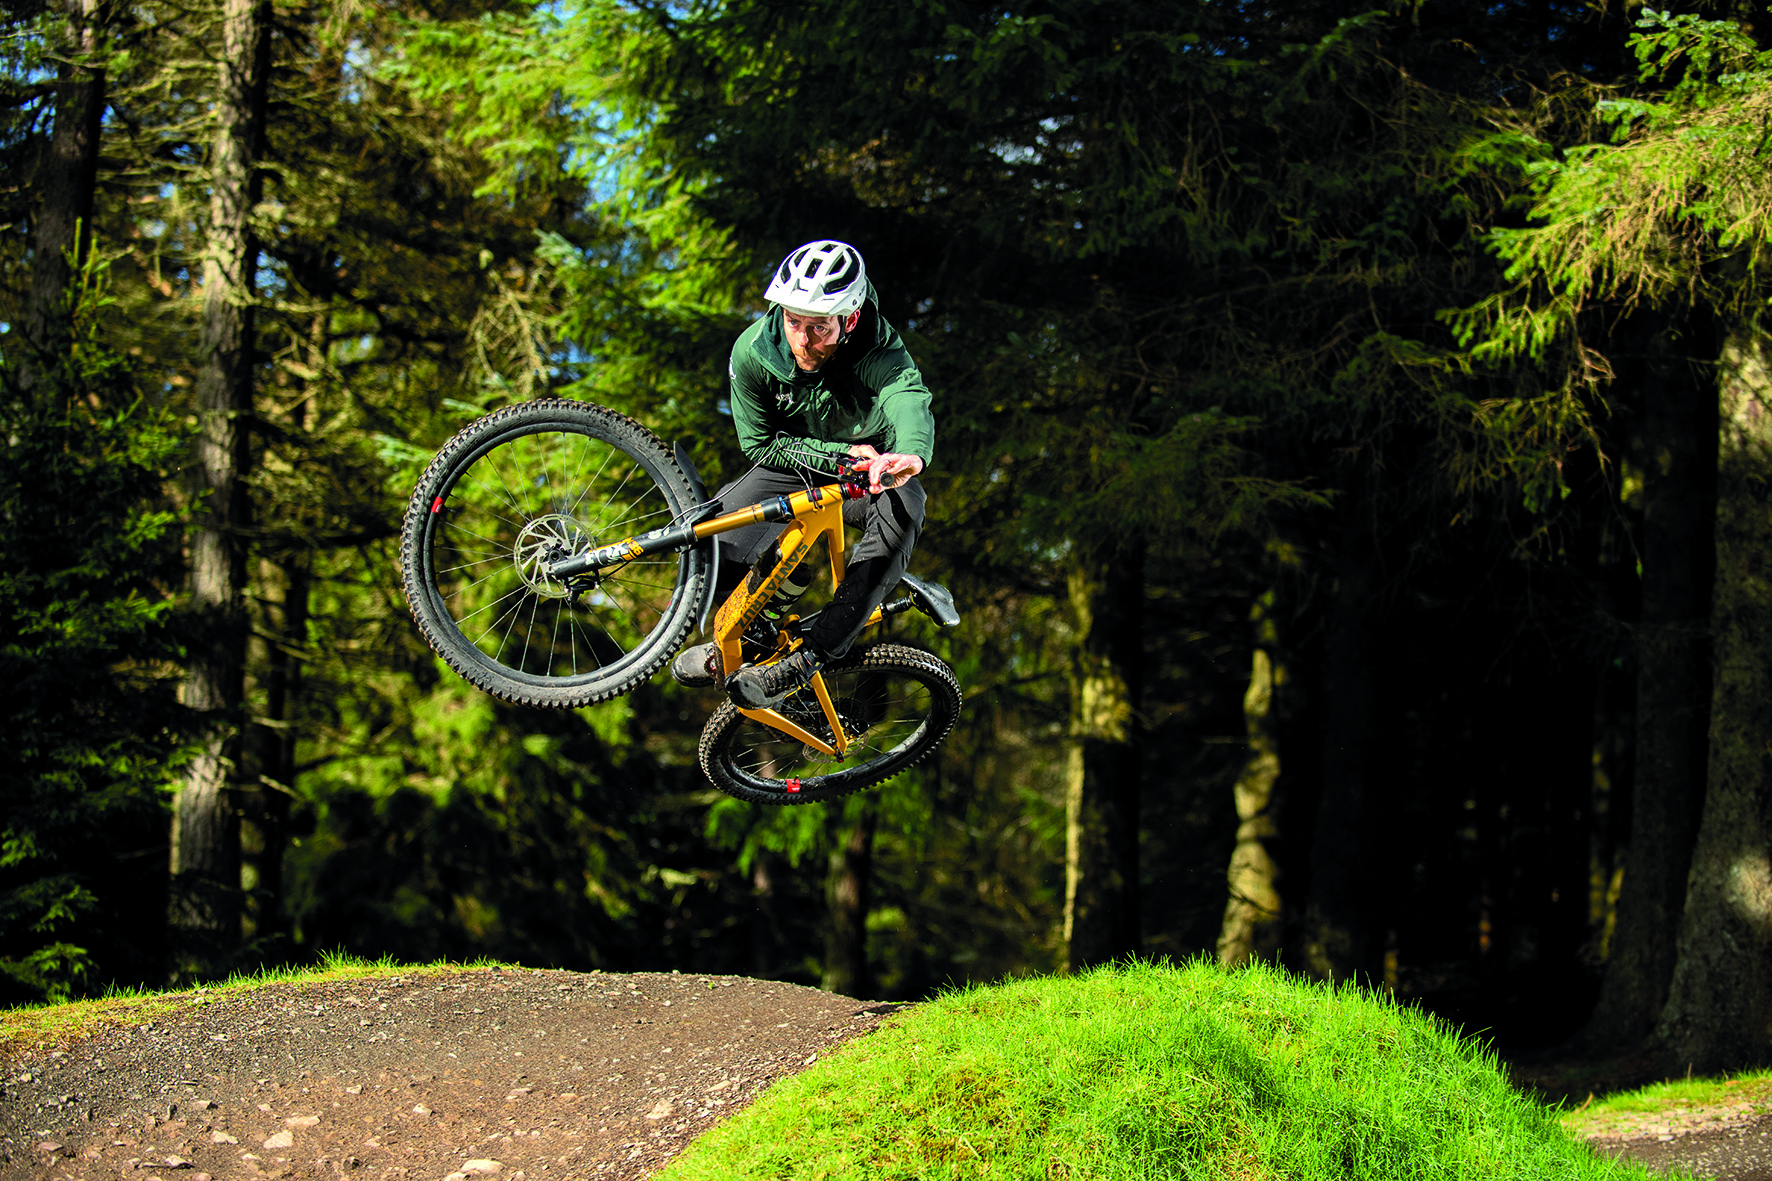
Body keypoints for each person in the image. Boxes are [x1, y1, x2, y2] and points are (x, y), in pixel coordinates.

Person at [670, 239, 935, 709]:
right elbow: (759, 444)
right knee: (711, 542)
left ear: (849, 320)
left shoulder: (878, 347)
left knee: (906, 505)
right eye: (794, 322)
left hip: (865, 472)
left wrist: (910, 455)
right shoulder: (753, 352)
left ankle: (812, 655)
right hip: (794, 463)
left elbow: (906, 395)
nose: (803, 341)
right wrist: (836, 455)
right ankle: (754, 631)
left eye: (819, 328)